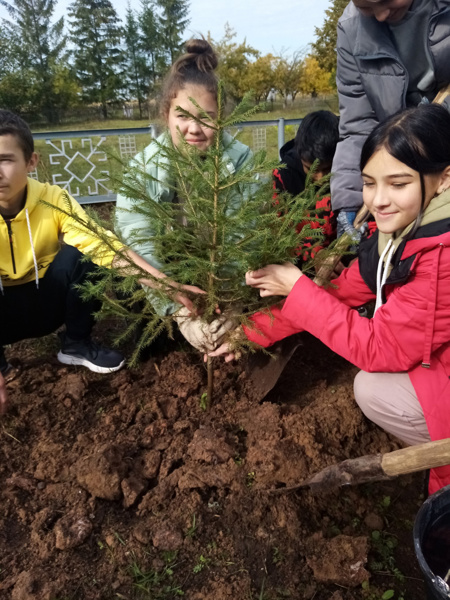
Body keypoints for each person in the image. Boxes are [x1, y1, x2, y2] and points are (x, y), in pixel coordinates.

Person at [211, 104, 450, 494]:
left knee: (370, 388)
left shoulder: (440, 256)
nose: (378, 200)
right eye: (370, 183)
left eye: (398, 183)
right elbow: (342, 290)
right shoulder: (401, 234)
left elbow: (377, 348)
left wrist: (296, 286)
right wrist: (250, 332)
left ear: (442, 179)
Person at [0, 110, 204, 415]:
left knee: (84, 255)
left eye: (5, 159)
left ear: (32, 162)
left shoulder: (52, 199)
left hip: (45, 303)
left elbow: (106, 247)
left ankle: (76, 343)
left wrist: (166, 285)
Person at [115, 38, 253, 351]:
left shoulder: (238, 160)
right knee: (125, 278)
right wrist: (177, 310)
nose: (194, 128)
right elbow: (138, 239)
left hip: (216, 267)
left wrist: (232, 304)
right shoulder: (145, 168)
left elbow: (244, 233)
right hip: (167, 267)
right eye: (183, 116)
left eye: (206, 117)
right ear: (166, 116)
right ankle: (157, 343)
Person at [332, 0, 450, 240]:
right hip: (408, 171)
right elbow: (358, 125)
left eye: (386, 1)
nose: (381, 15)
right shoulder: (351, 27)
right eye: (366, 7)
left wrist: (428, 125)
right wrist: (349, 198)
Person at [273, 110, 339, 265]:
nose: (321, 178)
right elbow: (279, 234)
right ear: (299, 154)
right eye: (312, 169)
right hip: (298, 267)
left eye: (328, 169)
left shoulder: (349, 173)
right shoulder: (284, 177)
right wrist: (314, 254)